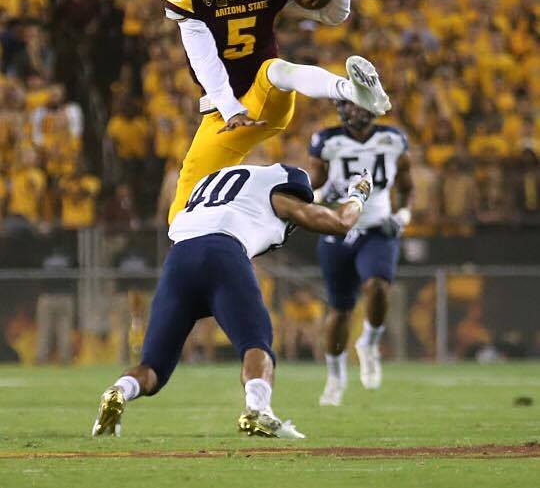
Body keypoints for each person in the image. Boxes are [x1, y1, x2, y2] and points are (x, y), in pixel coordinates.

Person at [92, 163, 373, 439]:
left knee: (154, 367)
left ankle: (119, 391)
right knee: (257, 342)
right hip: (223, 251)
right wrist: (358, 195)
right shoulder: (278, 195)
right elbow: (340, 223)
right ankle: (257, 409)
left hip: (178, 258)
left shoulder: (220, 186)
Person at [164, 0, 390, 221]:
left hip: (266, 95)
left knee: (275, 70)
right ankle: (183, 245)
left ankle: (353, 91)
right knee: (184, 203)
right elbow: (205, 62)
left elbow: (333, 16)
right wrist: (231, 110)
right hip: (225, 109)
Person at [308, 100, 413, 405]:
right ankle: (335, 376)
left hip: (377, 228)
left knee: (378, 286)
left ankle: (369, 342)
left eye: (361, 104)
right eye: (351, 106)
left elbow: (407, 187)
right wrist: (322, 194)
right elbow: (310, 191)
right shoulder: (326, 141)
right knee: (339, 311)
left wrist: (403, 215)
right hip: (338, 229)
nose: (356, 111)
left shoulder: (393, 139)